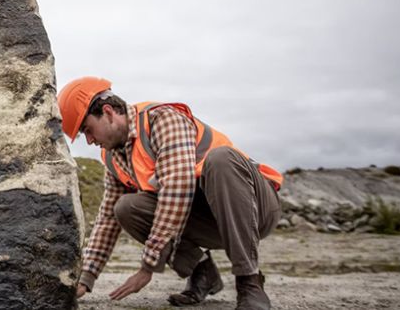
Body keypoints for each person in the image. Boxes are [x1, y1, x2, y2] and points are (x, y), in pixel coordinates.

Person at [58, 77, 284, 310]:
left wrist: (147, 267)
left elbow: (177, 189)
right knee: (125, 208)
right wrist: (86, 277)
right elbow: (107, 220)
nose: (90, 140)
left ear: (108, 113)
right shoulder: (113, 157)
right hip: (210, 221)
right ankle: (203, 273)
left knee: (220, 159)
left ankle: (250, 283)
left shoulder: (162, 120)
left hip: (256, 210)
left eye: (88, 130)